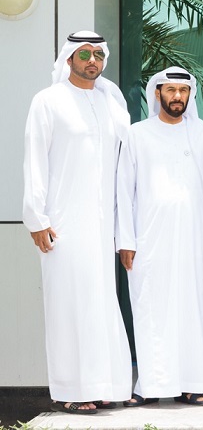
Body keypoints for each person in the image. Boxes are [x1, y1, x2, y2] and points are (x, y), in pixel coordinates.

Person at [23, 31, 132, 414]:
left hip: (101, 225)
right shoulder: (48, 101)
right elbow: (34, 159)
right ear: (68, 58)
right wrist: (36, 217)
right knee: (67, 306)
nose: (92, 61)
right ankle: (71, 389)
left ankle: (104, 385)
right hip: (62, 223)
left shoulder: (110, 101)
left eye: (98, 54)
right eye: (84, 54)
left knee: (99, 303)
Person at [116, 67, 203, 407]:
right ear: (157, 93)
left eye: (183, 91)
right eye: (170, 90)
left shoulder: (202, 134)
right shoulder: (137, 134)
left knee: (193, 308)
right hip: (148, 241)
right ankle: (151, 385)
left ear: (189, 95)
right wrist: (126, 240)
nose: (177, 97)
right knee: (151, 310)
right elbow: (124, 191)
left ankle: (193, 383)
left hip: (194, 241)